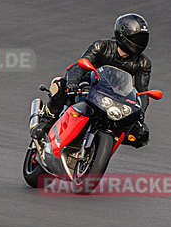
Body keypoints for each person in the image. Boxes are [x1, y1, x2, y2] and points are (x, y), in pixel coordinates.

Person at [30, 13, 152, 147]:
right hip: (89, 87)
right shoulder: (102, 47)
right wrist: (72, 83)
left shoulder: (143, 62)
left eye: (142, 38)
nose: (140, 42)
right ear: (123, 35)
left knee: (140, 134)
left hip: (115, 98)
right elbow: (79, 66)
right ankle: (45, 123)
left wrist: (140, 115)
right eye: (136, 38)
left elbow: (142, 91)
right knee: (60, 86)